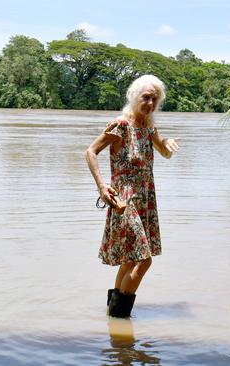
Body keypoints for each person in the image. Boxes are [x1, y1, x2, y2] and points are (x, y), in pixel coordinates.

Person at [85, 75, 179, 318]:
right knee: (144, 260)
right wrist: (101, 187)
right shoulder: (121, 125)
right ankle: (120, 322)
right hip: (124, 201)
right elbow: (91, 152)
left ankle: (113, 321)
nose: (150, 103)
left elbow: (164, 152)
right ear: (134, 97)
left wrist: (167, 142)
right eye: (145, 97)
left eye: (154, 99)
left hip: (146, 200)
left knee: (130, 260)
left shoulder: (149, 128)